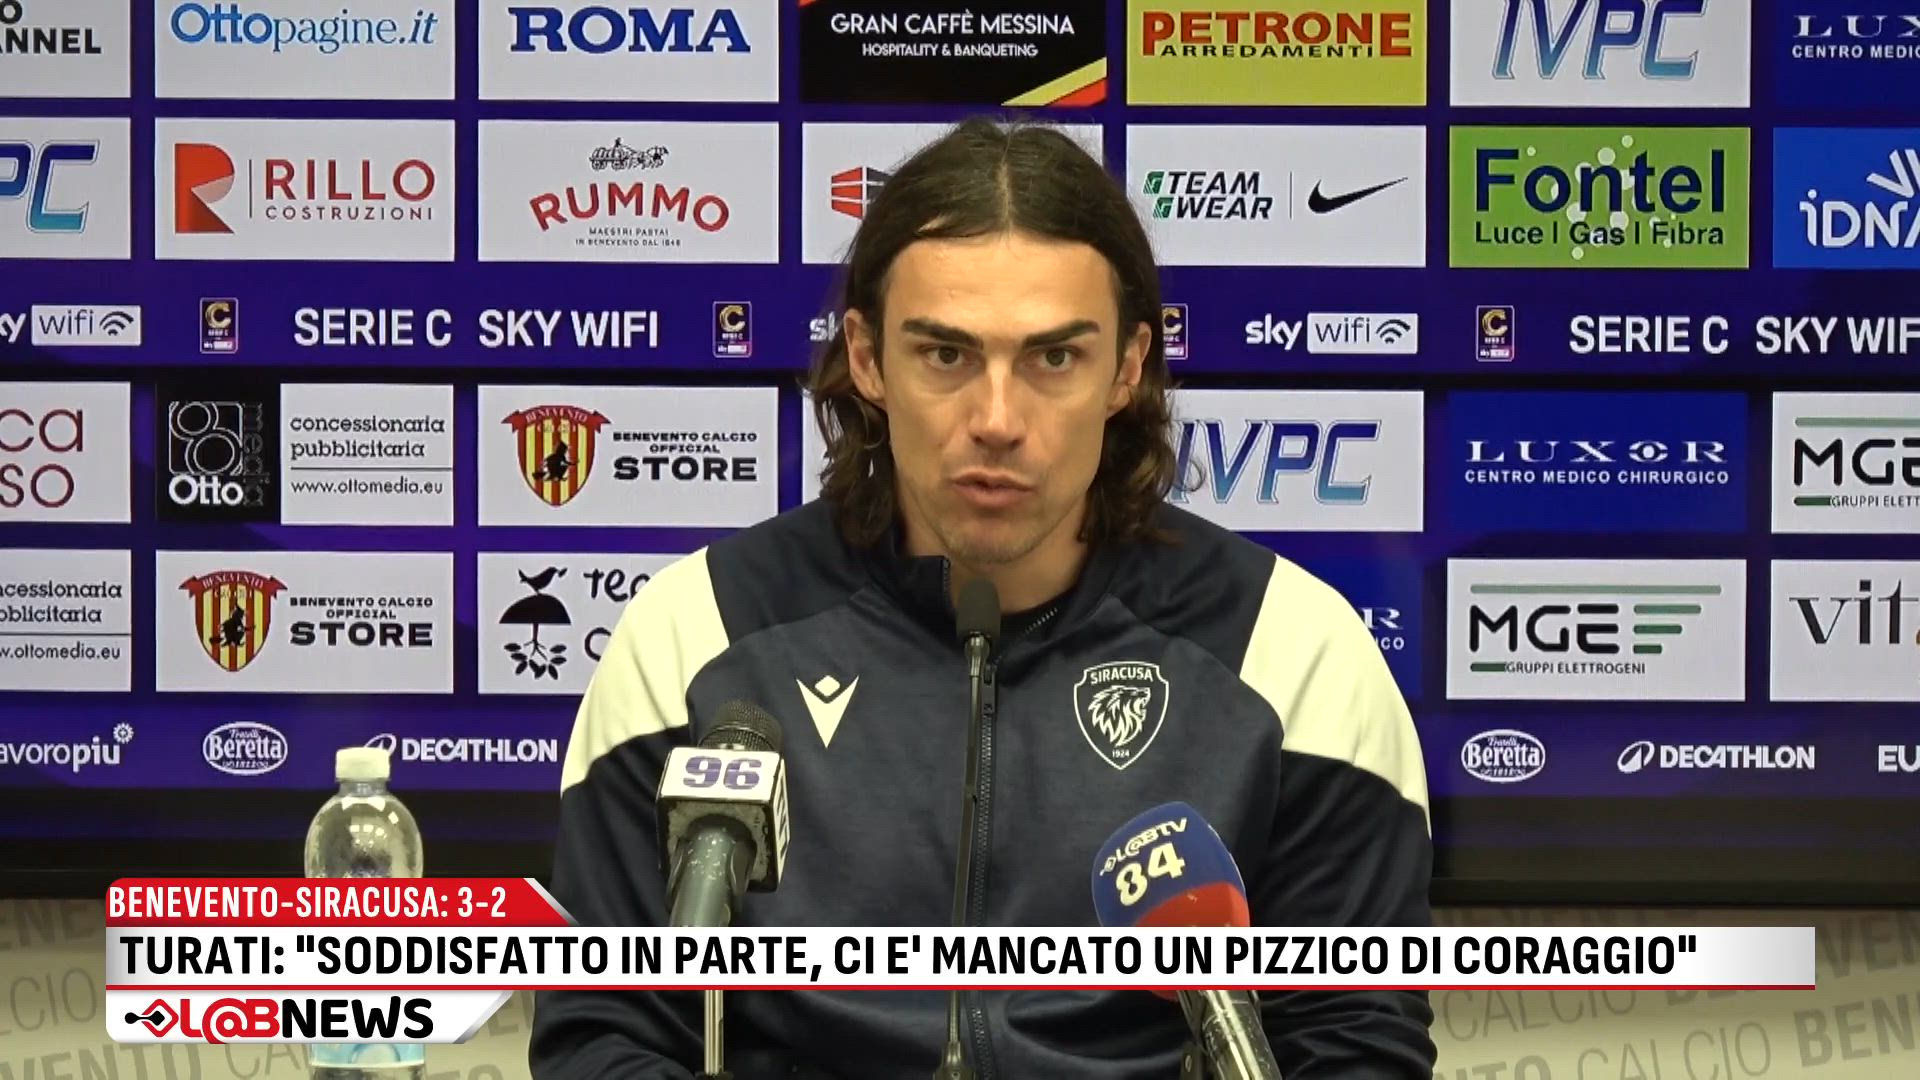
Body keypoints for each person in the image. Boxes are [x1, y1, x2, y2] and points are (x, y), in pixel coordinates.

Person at [529, 117, 1437, 1079]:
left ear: (1127, 368)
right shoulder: (697, 634)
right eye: (946, 355)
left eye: (1054, 358)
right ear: (867, 358)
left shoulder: (1291, 653)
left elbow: (1356, 1048)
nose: (997, 421)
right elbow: (605, 1035)